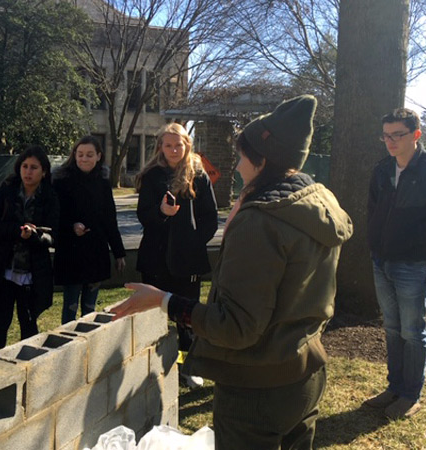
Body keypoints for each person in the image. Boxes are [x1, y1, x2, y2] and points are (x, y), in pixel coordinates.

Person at [110, 95, 353, 450]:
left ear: (263, 160)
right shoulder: (318, 203)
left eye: (241, 157)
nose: (237, 167)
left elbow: (236, 327)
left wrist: (162, 300)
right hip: (305, 375)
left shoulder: (261, 222)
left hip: (257, 392)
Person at [363, 108, 426, 419]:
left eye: (397, 135)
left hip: (413, 265)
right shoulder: (382, 169)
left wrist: (419, 244)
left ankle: (411, 394)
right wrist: (375, 241)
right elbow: (373, 208)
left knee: (413, 331)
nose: (390, 141)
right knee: (391, 327)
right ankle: (394, 387)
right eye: (385, 135)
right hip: (381, 261)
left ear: (416, 135)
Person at [135, 122, 218, 388]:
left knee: (187, 318)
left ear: (187, 145)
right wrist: (161, 213)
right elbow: (143, 216)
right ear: (160, 146)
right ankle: (152, 368)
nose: (173, 150)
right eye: (168, 145)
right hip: (156, 258)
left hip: (187, 261)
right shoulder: (152, 176)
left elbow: (210, 217)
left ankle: (187, 367)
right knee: (153, 316)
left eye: (178, 145)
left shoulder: (198, 174)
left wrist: (194, 242)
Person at [0, 146, 59, 352]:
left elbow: (54, 235)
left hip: (32, 273)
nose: (28, 172)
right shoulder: (8, 189)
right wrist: (17, 231)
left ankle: (27, 369)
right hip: (4, 269)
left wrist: (35, 236)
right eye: (24, 166)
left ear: (44, 172)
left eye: (34, 167)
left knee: (28, 325)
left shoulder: (50, 196)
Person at [53, 136, 125, 324]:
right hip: (71, 253)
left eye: (89, 155)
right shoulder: (61, 181)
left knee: (89, 308)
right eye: (80, 154)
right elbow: (54, 216)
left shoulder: (103, 183)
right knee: (70, 306)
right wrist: (71, 226)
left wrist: (119, 253)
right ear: (74, 156)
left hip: (96, 252)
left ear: (98, 156)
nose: (84, 159)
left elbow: (110, 220)